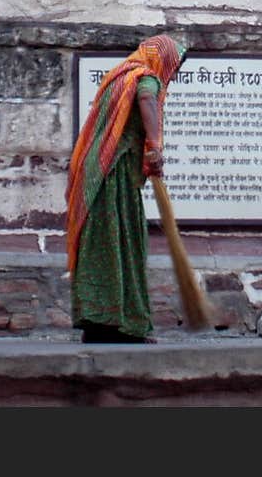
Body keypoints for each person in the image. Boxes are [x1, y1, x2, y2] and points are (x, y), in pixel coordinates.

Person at [66, 33, 186, 343]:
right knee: (126, 243)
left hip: (94, 173)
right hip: (115, 172)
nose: (174, 74)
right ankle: (124, 325)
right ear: (165, 60)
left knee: (100, 244)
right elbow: (147, 97)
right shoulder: (145, 77)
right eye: (175, 66)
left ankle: (97, 323)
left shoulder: (117, 77)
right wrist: (155, 146)